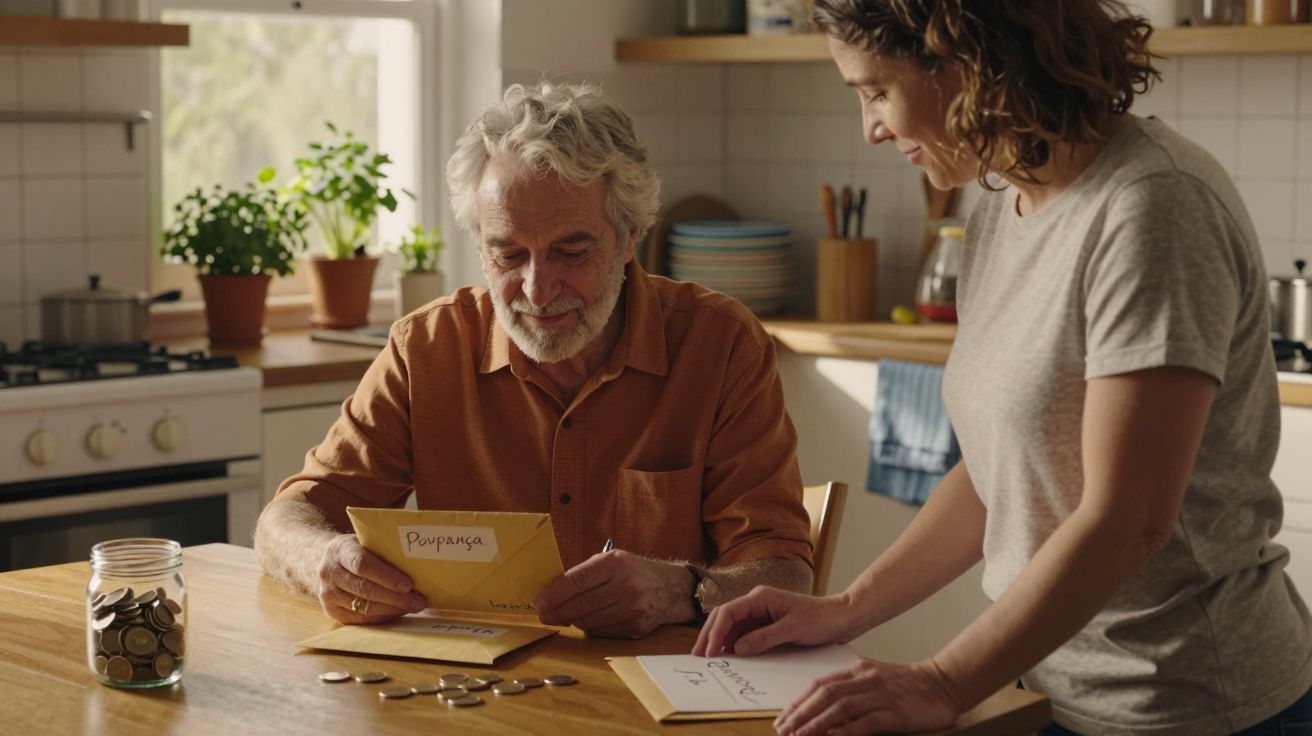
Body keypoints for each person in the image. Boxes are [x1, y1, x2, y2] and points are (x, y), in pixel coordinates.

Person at [693, 2, 1312, 734]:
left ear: (962, 60)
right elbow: (997, 474)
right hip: (1052, 690)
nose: (871, 127)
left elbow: (1129, 519)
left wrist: (941, 681)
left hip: (1192, 704)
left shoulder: (1152, 207)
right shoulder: (999, 207)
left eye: (875, 92)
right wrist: (845, 611)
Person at [254, 82, 814, 639]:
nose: (538, 290)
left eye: (571, 253)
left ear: (628, 239)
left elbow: (785, 571)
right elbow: (287, 517)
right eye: (508, 254)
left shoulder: (721, 346)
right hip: (482, 695)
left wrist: (680, 590)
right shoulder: (427, 349)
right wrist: (323, 559)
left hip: (660, 696)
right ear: (480, 248)